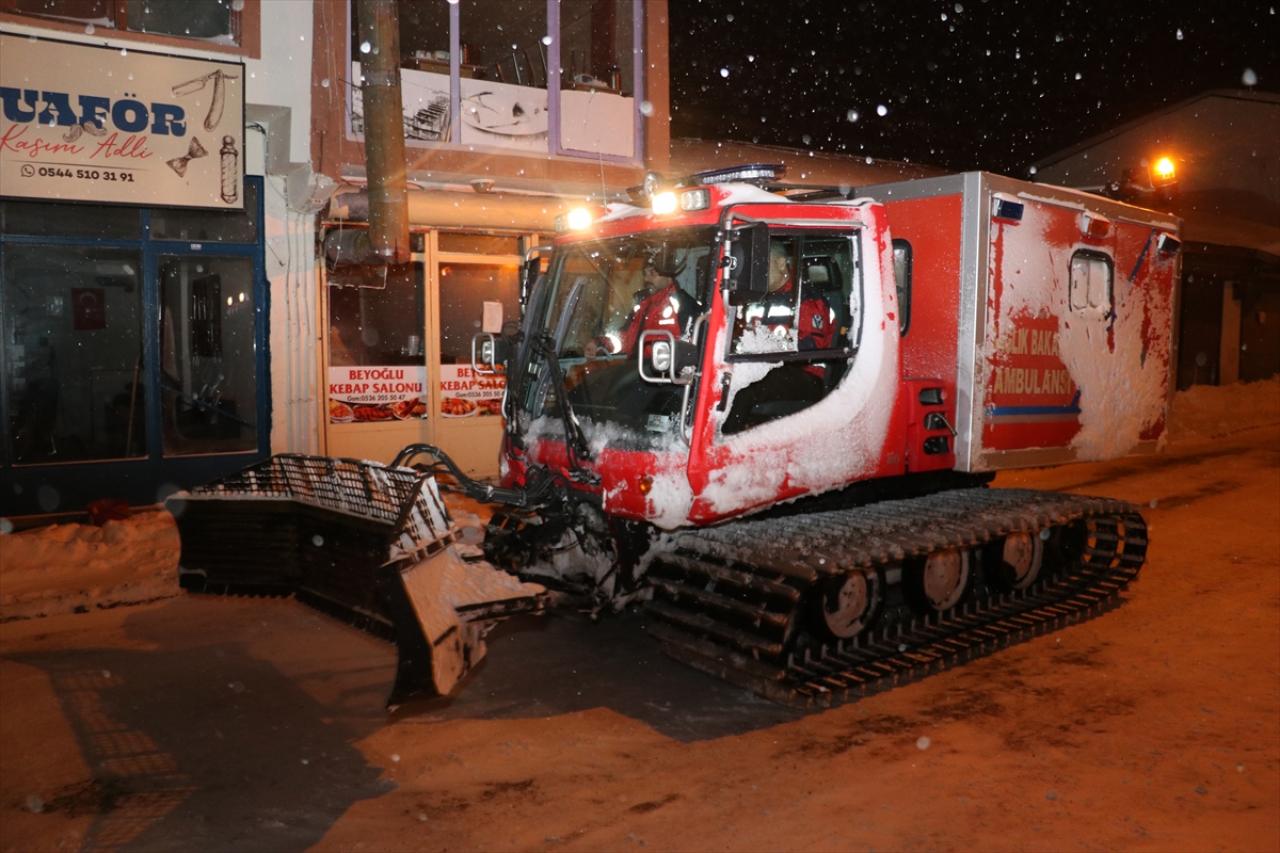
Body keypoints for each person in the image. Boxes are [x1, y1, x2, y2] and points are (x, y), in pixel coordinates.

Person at [588, 259, 692, 357]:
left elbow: (689, 349)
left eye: (652, 273)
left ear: (669, 276)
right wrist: (599, 343)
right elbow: (625, 339)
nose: (646, 279)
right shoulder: (642, 306)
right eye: (645, 274)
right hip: (638, 366)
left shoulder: (683, 304)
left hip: (663, 369)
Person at [745, 240, 834, 351]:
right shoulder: (753, 298)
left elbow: (810, 348)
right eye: (753, 266)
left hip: (791, 363)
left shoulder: (806, 298)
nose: (756, 271)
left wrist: (767, 348)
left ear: (781, 264)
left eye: (761, 264)